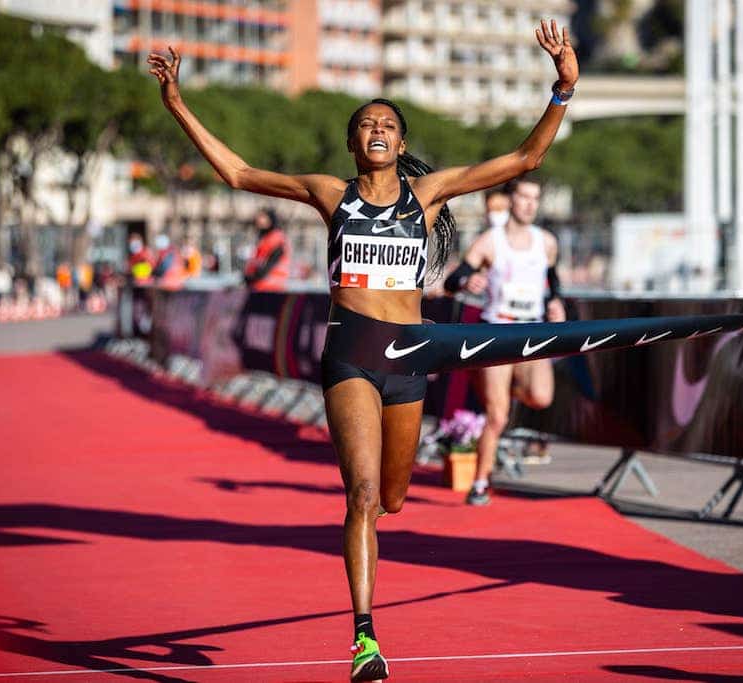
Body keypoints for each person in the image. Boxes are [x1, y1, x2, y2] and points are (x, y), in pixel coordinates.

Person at [148, 19, 577, 681]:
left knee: (396, 498)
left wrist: (562, 90)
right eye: (365, 124)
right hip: (348, 353)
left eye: (387, 124)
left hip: (410, 358)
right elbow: (237, 173)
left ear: (400, 142)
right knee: (363, 495)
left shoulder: (426, 196)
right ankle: (365, 638)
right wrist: (179, 104)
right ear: (353, 142)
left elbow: (522, 162)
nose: (376, 130)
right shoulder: (330, 194)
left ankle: (372, 580)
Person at [444, 176, 565, 505]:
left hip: (533, 331)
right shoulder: (490, 242)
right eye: (524, 197)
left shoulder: (547, 242)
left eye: (535, 198)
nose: (530, 204)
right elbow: (454, 281)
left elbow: (552, 282)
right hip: (497, 332)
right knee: (497, 417)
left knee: (541, 397)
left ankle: (507, 384)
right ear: (511, 200)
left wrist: (555, 302)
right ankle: (480, 482)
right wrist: (469, 282)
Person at [243, 207, 290, 292]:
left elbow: (271, 263)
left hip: (271, 287)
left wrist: (253, 278)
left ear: (270, 219)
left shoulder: (277, 238)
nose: (258, 220)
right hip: (259, 286)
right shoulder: (264, 238)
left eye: (262, 217)